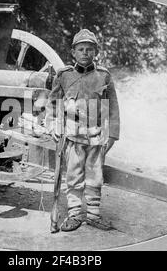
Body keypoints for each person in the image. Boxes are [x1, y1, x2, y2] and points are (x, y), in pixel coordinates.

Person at [45, 28, 120, 232]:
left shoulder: (104, 76)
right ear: (73, 52)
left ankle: (94, 215)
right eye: (81, 49)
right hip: (72, 137)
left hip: (96, 136)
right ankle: (75, 214)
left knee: (95, 176)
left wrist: (112, 134)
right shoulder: (64, 76)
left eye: (89, 49)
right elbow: (53, 103)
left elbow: (112, 107)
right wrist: (53, 125)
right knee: (74, 176)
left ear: (95, 52)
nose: (85, 53)